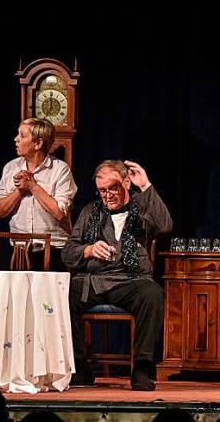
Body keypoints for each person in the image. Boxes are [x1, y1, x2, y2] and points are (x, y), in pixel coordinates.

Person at [63, 160, 172, 391]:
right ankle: (79, 366)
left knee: (152, 294)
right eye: (102, 190)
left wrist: (146, 186)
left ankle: (141, 367)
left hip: (130, 281)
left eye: (113, 188)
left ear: (126, 183)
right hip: (95, 281)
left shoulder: (142, 208)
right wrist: (88, 250)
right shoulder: (90, 211)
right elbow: (68, 252)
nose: (108, 195)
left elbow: (165, 226)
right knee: (62, 294)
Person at [0, 118, 77, 271]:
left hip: (53, 249)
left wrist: (32, 186)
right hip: (19, 250)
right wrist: (19, 190)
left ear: (38, 143)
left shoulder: (60, 170)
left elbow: (59, 213)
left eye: (22, 135)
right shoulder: (11, 168)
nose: (16, 139)